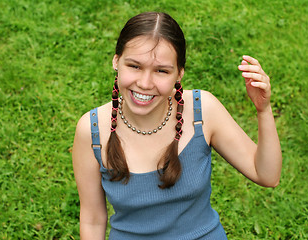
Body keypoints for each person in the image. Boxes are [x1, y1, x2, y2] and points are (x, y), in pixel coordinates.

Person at [72, 11, 282, 240]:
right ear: (116, 61)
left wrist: (264, 110)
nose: (144, 83)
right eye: (134, 66)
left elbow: (267, 175)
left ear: (179, 74)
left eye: (161, 71)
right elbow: (92, 220)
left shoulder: (202, 112)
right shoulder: (92, 130)